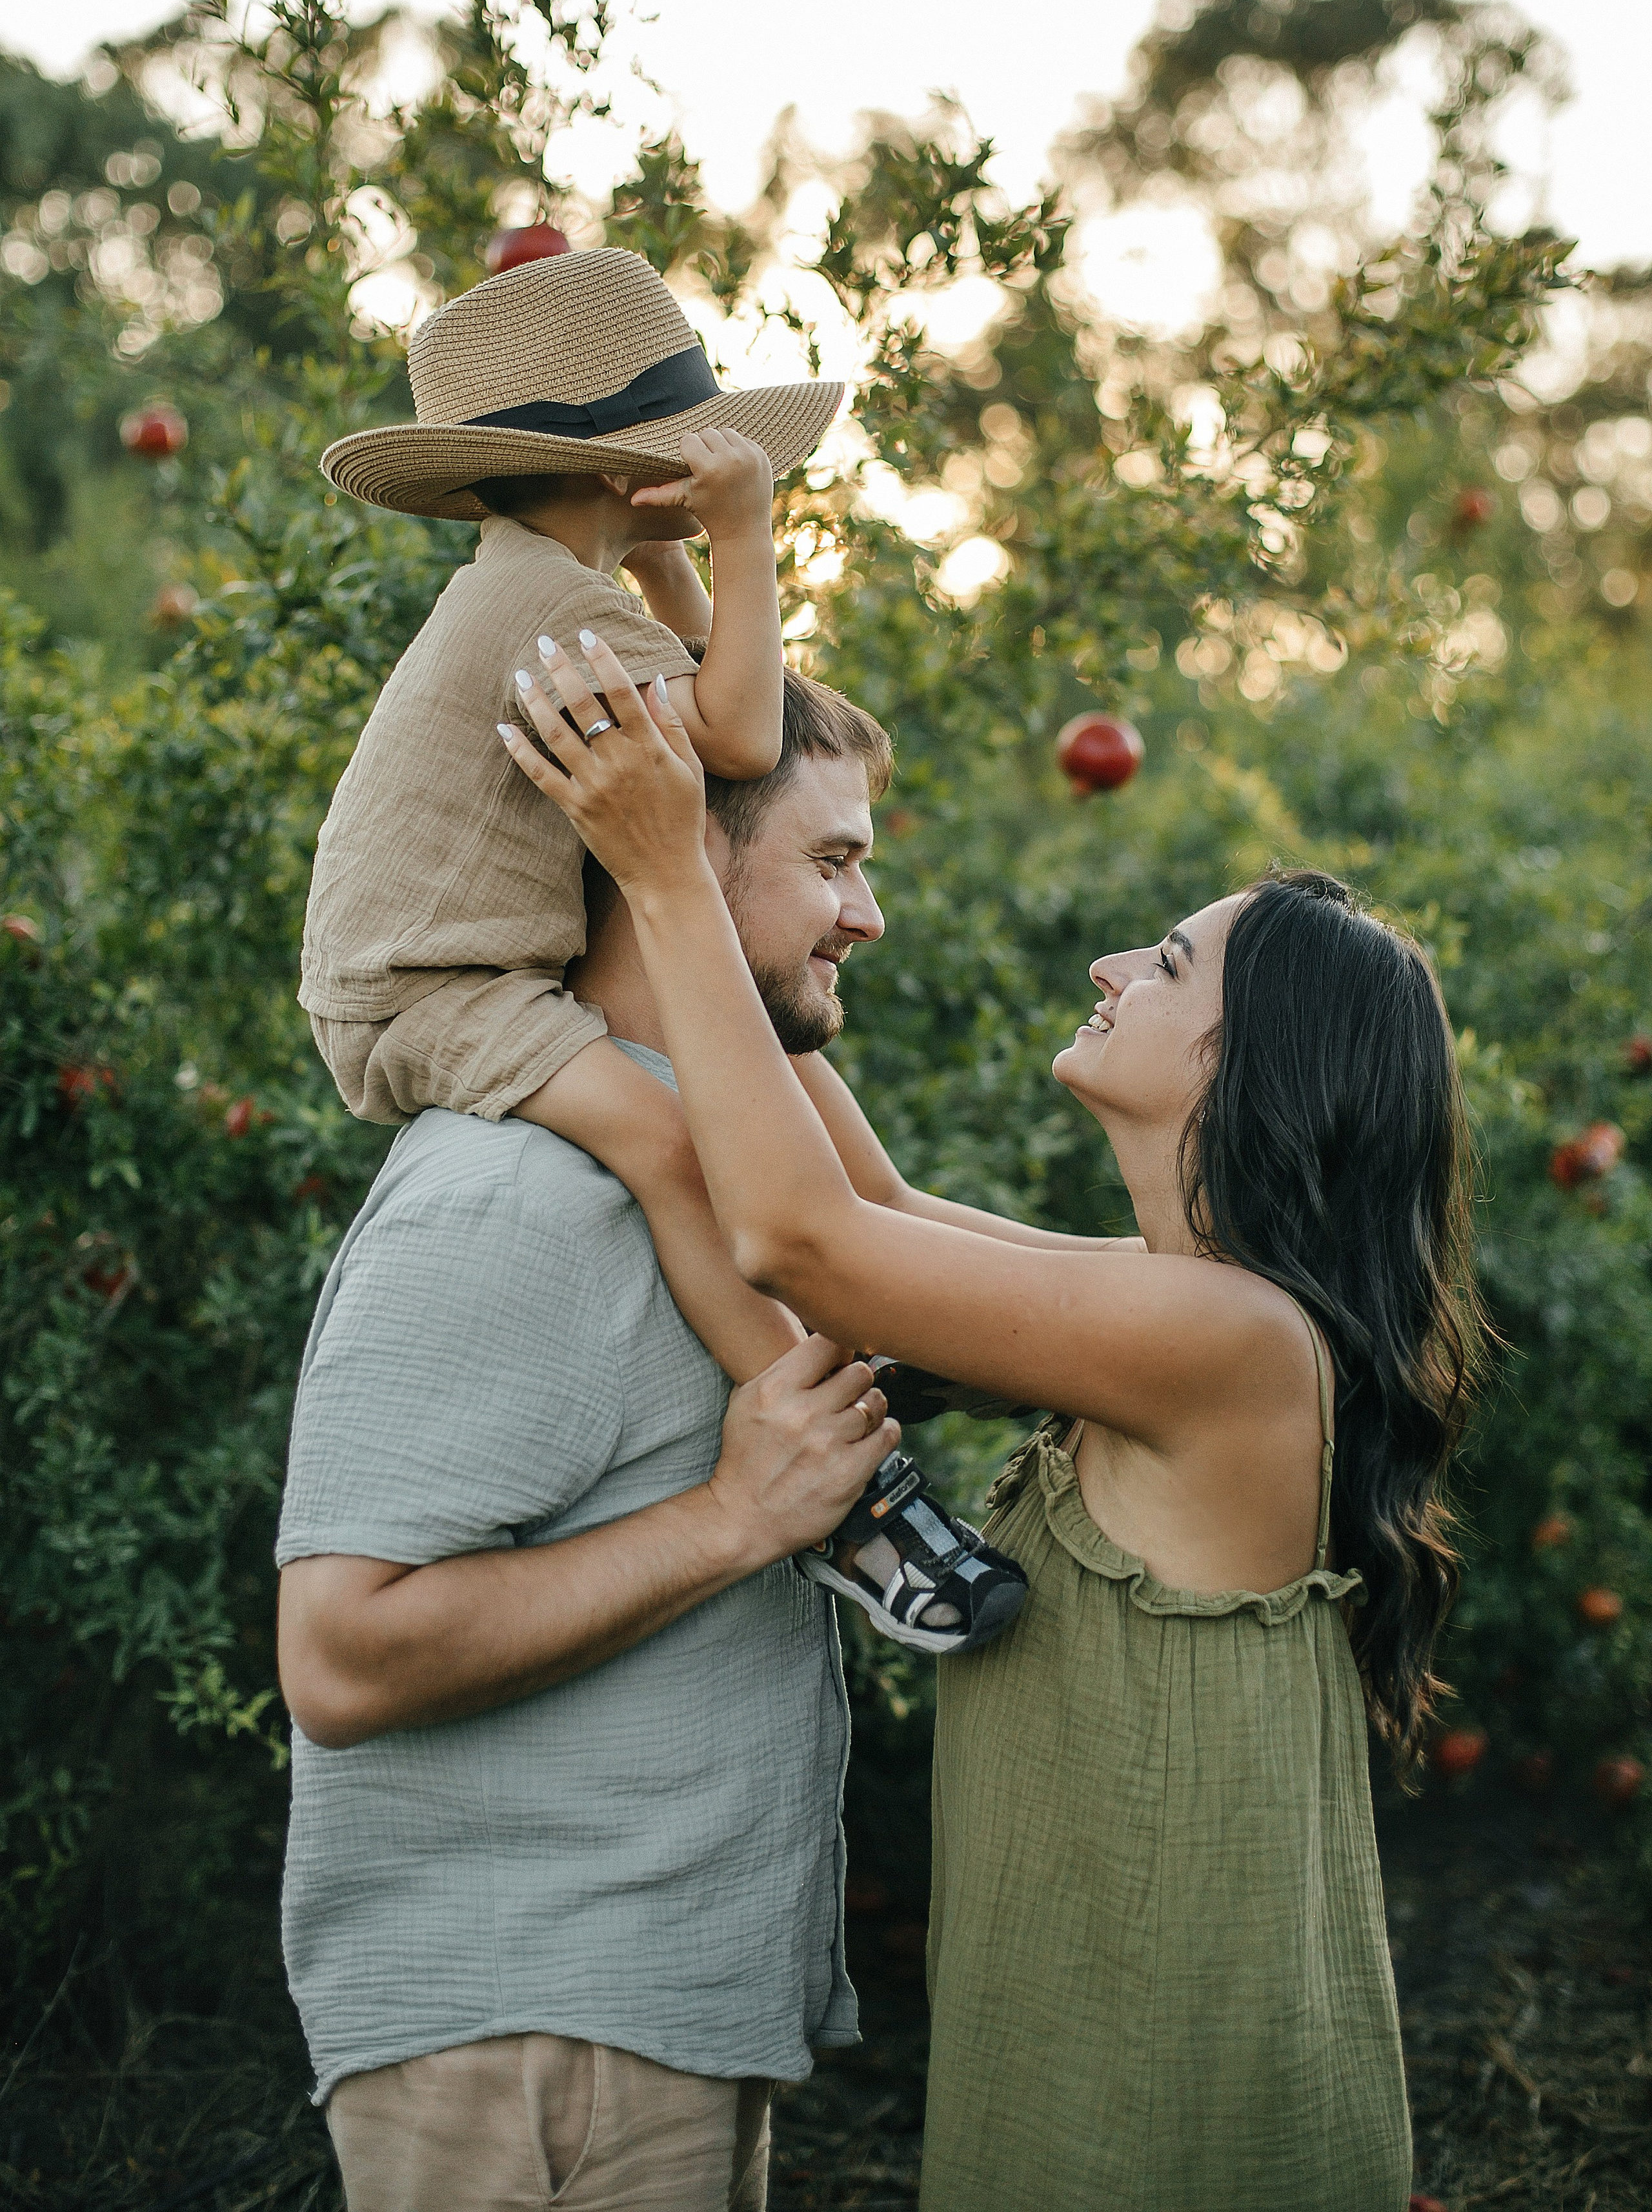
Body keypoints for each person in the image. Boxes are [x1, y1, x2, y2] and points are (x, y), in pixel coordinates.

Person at [499, 638, 1485, 2212]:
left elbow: (804, 1244)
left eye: (1164, 966)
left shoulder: (1228, 1341)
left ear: (1249, 1065)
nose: (1109, 967)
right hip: (1095, 2046)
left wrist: (667, 875)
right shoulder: (1172, 1301)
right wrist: (709, 761)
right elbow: (871, 1212)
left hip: (1170, 2105)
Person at [277, 665, 1069, 2212]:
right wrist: (734, 1518)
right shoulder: (508, 1197)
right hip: (528, 2043)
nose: (868, 915)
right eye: (832, 863)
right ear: (680, 864)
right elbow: (340, 1658)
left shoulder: (727, 1167)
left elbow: (914, 1247)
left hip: (651, 2017)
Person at [303, 246, 1022, 1654]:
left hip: (462, 971)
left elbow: (744, 717)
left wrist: (671, 550)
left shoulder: (561, 583)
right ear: (632, 468)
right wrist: (744, 539)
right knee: (674, 1146)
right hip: (433, 993)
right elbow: (748, 742)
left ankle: (899, 1322)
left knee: (760, 1097)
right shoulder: (534, 602)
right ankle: (853, 1501)